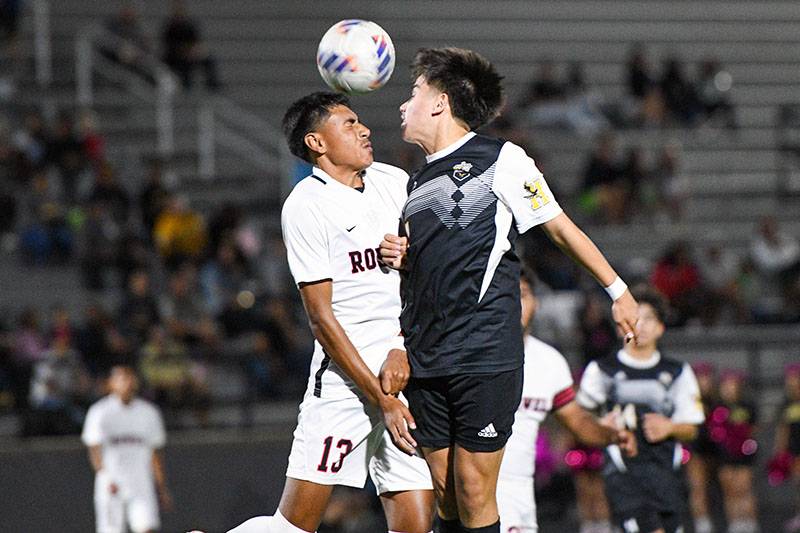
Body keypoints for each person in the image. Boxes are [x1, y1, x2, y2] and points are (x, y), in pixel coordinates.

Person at [379, 47, 639, 533]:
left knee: (476, 490)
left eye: (413, 92)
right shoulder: (416, 184)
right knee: (447, 492)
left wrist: (617, 290)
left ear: (439, 102)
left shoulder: (501, 158)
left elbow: (560, 229)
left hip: (484, 348)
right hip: (426, 352)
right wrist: (407, 258)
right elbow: (424, 274)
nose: (402, 104)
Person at [210, 91, 434, 533]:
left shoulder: (393, 180)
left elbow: (425, 273)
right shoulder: (306, 206)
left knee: (416, 524)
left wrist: (401, 337)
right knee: (295, 527)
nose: (364, 129)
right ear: (317, 142)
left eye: (360, 121)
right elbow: (320, 319)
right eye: (348, 124)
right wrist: (381, 400)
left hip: (403, 366)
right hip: (345, 386)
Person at [496, 272, 637, 533]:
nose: (515, 302)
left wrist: (611, 434)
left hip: (520, 490)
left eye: (523, 295)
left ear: (536, 302)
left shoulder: (550, 362)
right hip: (475, 485)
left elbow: (578, 422)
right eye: (506, 295)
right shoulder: (470, 356)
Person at [577, 287, 705, 533]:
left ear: (661, 327)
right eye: (636, 318)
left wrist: (670, 427)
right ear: (621, 325)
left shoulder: (678, 372)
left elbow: (691, 429)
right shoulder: (602, 371)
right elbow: (578, 420)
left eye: (649, 319)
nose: (642, 326)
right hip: (624, 476)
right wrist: (602, 426)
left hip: (668, 478)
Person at [81, 365, 171, 533]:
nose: (126, 383)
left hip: (141, 483)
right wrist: (105, 477)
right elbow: (94, 450)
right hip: (112, 484)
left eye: (129, 378)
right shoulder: (100, 412)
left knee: (147, 528)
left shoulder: (149, 413)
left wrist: (161, 487)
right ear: (111, 383)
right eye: (121, 379)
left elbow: (155, 454)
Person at [712, 369, 759, 533]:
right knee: (729, 490)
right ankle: (735, 523)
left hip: (744, 454)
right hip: (725, 454)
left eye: (732, 384)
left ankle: (750, 522)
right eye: (726, 385)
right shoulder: (718, 407)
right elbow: (713, 430)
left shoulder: (747, 405)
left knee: (744, 488)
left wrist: (740, 437)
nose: (729, 388)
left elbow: (754, 428)